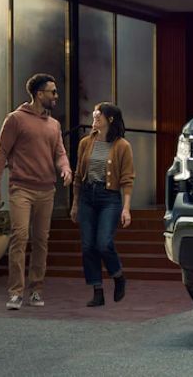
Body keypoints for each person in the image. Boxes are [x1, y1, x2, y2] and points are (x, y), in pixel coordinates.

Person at [0, 73, 72, 310]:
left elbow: (60, 152)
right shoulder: (15, 119)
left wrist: (65, 168)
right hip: (21, 189)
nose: (56, 96)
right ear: (39, 94)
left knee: (41, 241)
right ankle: (16, 292)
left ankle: (36, 289)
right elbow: (1, 152)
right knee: (20, 236)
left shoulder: (54, 125)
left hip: (46, 190)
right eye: (52, 92)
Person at [71, 102, 134, 306]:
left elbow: (127, 179)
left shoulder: (123, 145)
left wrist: (126, 208)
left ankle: (118, 276)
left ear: (110, 119)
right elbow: (78, 176)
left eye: (99, 115)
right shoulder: (84, 143)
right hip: (87, 197)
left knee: (103, 243)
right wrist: (75, 204)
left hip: (110, 198)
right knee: (88, 246)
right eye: (94, 114)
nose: (95, 117)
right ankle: (97, 291)